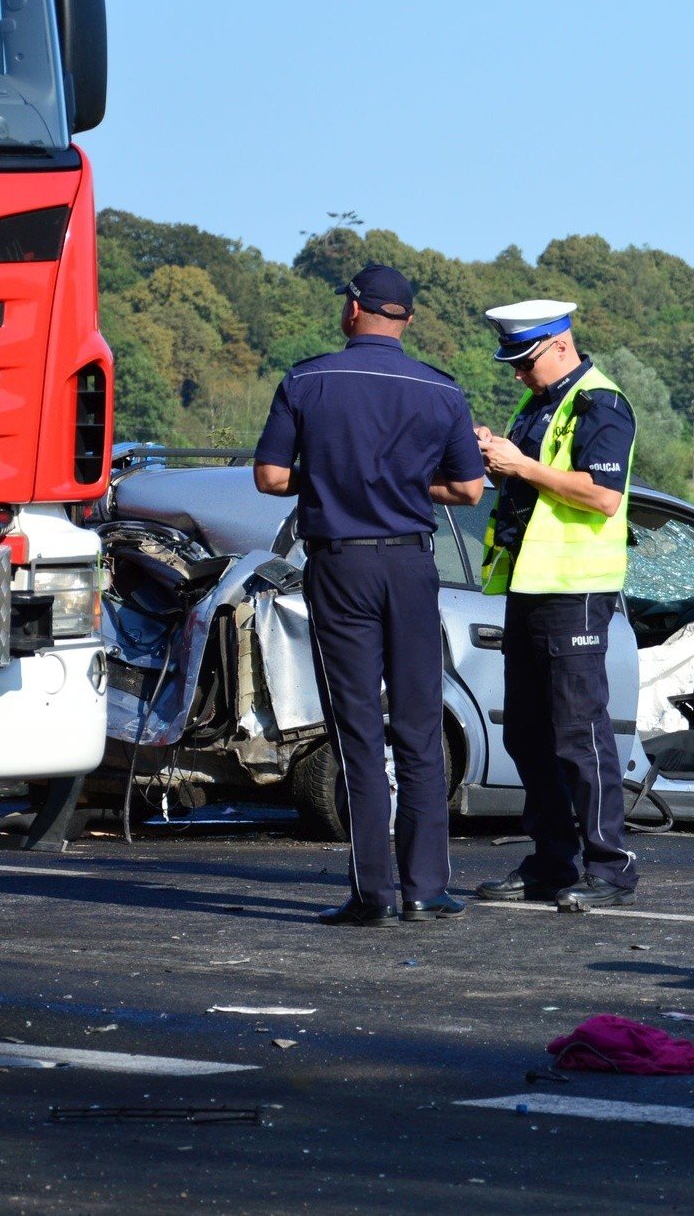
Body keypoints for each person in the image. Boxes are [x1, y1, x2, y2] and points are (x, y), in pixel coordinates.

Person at [254, 263, 487, 927]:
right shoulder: (441, 391)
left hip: (341, 565)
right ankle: (426, 887)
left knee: (357, 728)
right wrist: (407, 489)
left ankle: (372, 892)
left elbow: (270, 476)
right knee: (418, 726)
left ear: (353, 310)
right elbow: (469, 490)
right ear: (407, 320)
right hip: (412, 568)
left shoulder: (306, 379)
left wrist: (329, 477)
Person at [471, 299, 640, 913]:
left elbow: (601, 496)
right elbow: (525, 482)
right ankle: (550, 860)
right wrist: (496, 457)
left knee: (579, 734)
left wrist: (523, 465)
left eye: (525, 360)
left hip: (577, 590)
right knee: (527, 732)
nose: (518, 373)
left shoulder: (601, 403)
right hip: (530, 585)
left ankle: (609, 867)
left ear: (560, 345)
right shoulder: (541, 402)